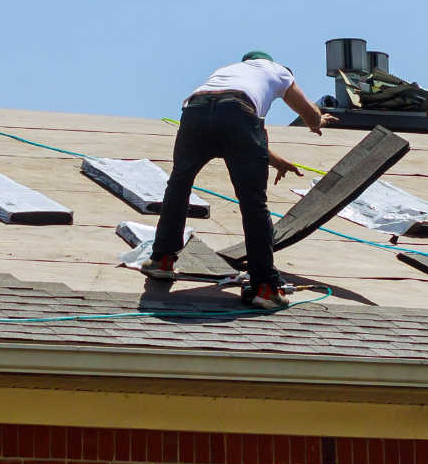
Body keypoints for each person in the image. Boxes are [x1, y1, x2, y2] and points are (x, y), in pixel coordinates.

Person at [141, 51, 335, 309]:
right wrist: (317, 121)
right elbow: (303, 114)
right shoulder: (278, 71)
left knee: (179, 183)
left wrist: (272, 158)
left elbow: (237, 126)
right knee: (254, 203)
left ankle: (162, 261)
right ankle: (265, 287)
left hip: (196, 110)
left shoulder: (229, 73)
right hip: (239, 114)